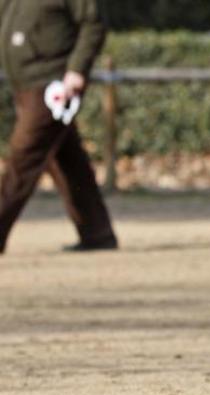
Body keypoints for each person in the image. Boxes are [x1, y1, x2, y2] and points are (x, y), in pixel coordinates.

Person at [0, 0, 117, 254]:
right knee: (66, 160)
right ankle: (97, 232)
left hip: (52, 84)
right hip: (25, 84)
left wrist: (77, 70)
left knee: (23, 156)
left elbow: (93, 24)